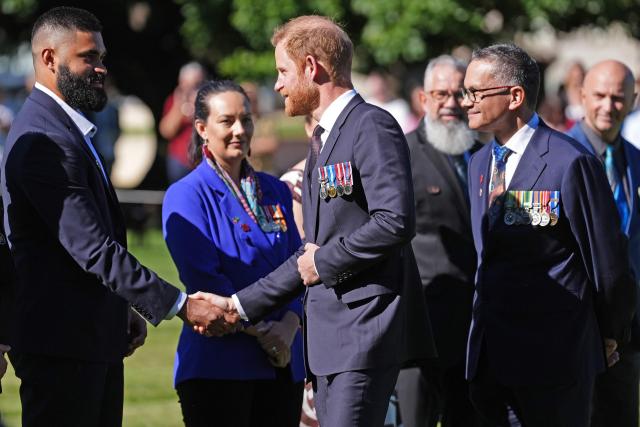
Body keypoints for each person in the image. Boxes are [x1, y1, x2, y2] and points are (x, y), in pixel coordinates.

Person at [0, 7, 237, 426]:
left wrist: (119, 307)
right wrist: (180, 305)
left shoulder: (66, 129)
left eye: (101, 56)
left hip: (89, 339)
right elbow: (91, 248)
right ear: (50, 59)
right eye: (88, 57)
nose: (100, 68)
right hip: (61, 346)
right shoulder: (43, 140)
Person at [198, 15, 435, 427]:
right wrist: (239, 305)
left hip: (362, 333)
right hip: (330, 343)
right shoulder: (324, 138)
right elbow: (308, 256)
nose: (278, 85)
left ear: (311, 67)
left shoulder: (371, 125)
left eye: (283, 71)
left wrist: (323, 263)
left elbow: (395, 221)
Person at [461, 43, 636, 426]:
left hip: (554, 359)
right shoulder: (478, 163)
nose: (466, 102)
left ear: (514, 97)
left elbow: (607, 266)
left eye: (476, 92)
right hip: (492, 359)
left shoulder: (569, 161)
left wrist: (608, 335)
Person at [162, 79, 306, 427]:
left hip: (283, 363)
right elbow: (206, 282)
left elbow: (297, 266)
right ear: (202, 129)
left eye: (246, 119)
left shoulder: (275, 191)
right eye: (227, 121)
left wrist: (289, 325)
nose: (239, 130)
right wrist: (264, 333)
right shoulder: (187, 196)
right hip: (220, 366)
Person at [396, 55, 481, 427]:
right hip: (422, 328)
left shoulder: (486, 152)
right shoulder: (402, 154)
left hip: (476, 329)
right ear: (422, 99)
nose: (450, 103)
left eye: (459, 93)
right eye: (440, 93)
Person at [566, 60, 640, 427]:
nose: (608, 106)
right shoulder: (558, 157)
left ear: (633, 99)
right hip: (575, 323)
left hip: (628, 330)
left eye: (617, 97)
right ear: (582, 96)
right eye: (599, 96)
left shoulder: (636, 161)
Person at [159, 62, 205, 183]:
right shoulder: (173, 101)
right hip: (179, 160)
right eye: (188, 85)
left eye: (198, 84)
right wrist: (179, 104)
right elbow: (166, 131)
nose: (193, 89)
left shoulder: (208, 102)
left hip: (202, 159)